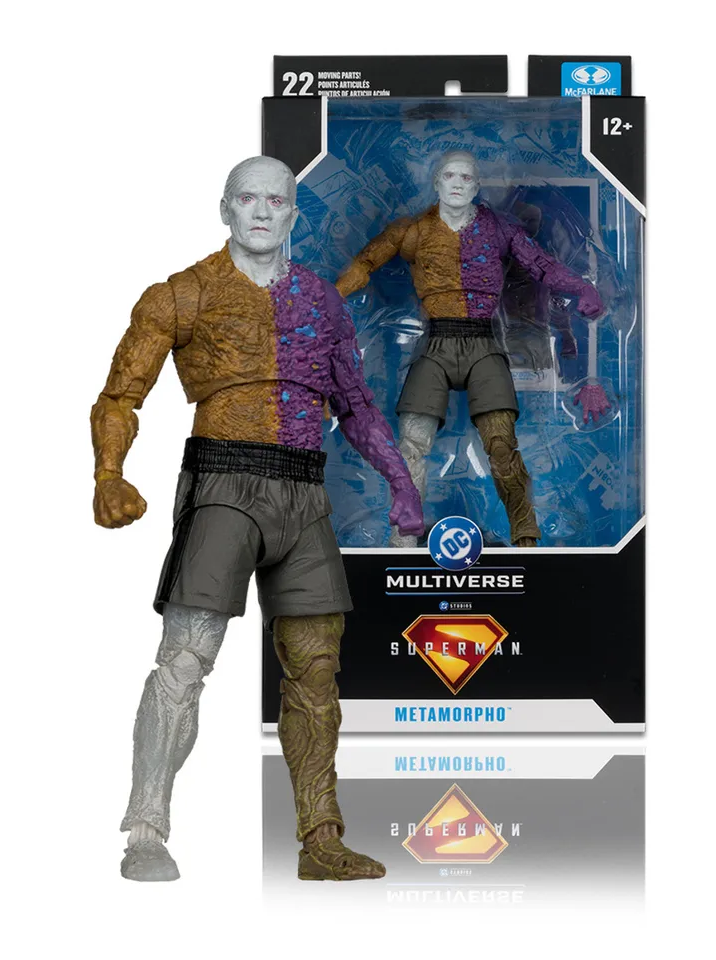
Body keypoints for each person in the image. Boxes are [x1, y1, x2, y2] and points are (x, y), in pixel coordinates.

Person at [91, 156, 423, 881]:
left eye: (277, 200)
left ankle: (321, 840)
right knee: (185, 658)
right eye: (249, 199)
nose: (263, 212)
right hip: (223, 485)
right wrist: (108, 476)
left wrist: (400, 480)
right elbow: (119, 396)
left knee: (318, 669)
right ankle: (145, 829)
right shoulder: (182, 293)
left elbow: (357, 405)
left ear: (294, 213)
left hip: (304, 494)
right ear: (226, 209)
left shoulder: (322, 301)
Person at [336, 151, 603, 547]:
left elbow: (543, 265)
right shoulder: (413, 231)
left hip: (483, 344)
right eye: (450, 175)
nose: (457, 183)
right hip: (435, 344)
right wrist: (329, 297)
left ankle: (526, 538)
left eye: (466, 177)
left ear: (477, 185)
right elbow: (365, 262)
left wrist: (582, 287)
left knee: (501, 445)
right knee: (411, 446)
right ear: (437, 182)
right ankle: (402, 540)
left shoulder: (500, 230)